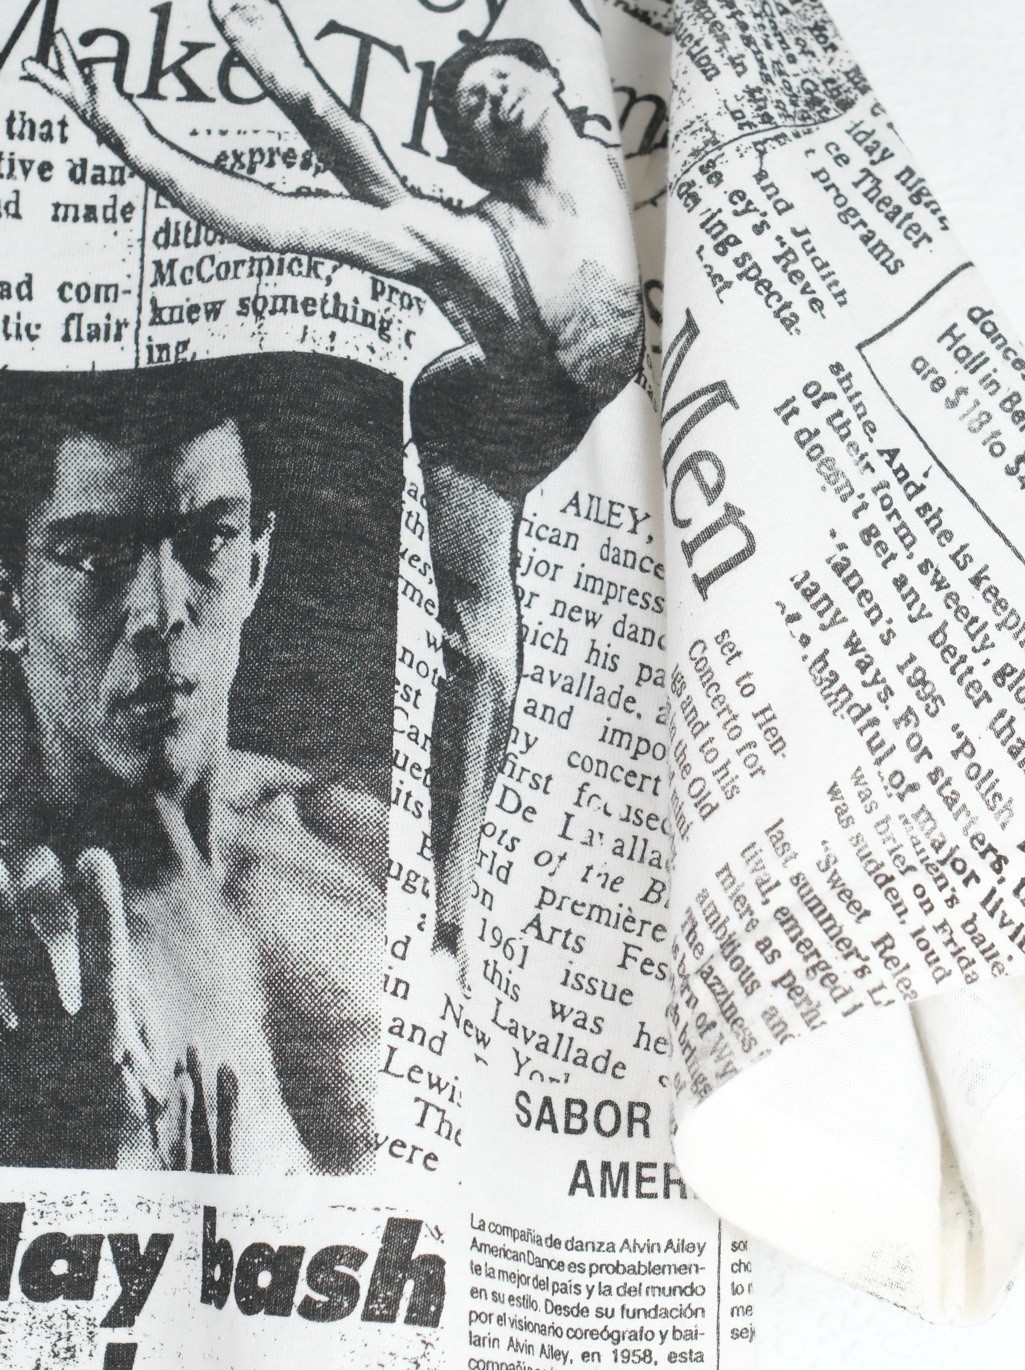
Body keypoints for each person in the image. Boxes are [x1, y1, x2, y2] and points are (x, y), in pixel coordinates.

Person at [24, 1, 644, 988]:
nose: (482, 99)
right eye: (463, 107)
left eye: (497, 79)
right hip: (481, 426)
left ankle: (270, 50)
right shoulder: (468, 242)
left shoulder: (616, 175)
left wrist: (278, 63)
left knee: (382, 185)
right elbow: (279, 221)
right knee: (484, 657)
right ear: (471, 160)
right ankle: (453, 925)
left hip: (555, 395)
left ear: (552, 80)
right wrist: (132, 136)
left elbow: (361, 156)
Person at [0, 377, 385, 1173]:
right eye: (97, 557)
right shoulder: (24, 947)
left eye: (208, 540)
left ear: (256, 566)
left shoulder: (352, 845)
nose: (162, 609)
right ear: (9, 605)